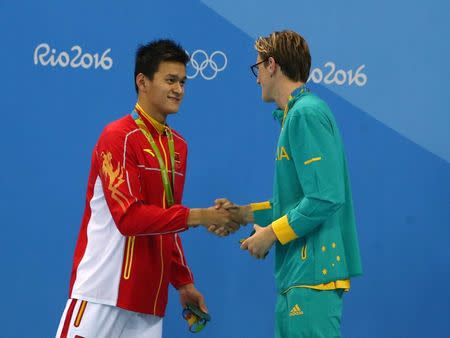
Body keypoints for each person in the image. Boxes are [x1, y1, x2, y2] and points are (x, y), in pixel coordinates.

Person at [56, 39, 238, 338]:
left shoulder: (178, 146)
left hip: (149, 305)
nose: (178, 89)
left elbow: (168, 220)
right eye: (170, 80)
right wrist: (202, 216)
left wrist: (183, 282)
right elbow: (129, 219)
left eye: (182, 82)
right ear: (142, 81)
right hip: (102, 293)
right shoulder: (117, 137)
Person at [215, 30, 363, 337]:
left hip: (312, 277)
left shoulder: (305, 114)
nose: (256, 79)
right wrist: (243, 214)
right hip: (297, 277)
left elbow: (325, 197)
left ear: (271, 65)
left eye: (257, 68)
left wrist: (270, 234)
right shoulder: (295, 115)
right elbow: (297, 203)